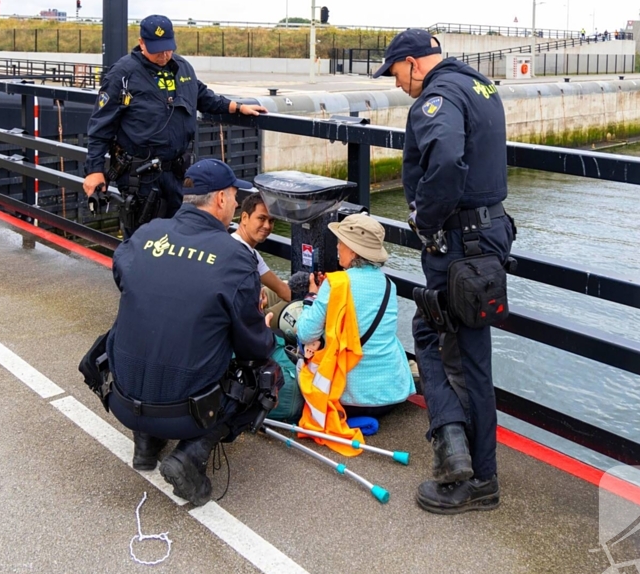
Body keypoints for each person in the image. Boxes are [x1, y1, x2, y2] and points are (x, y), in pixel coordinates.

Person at [373, 29, 514, 514]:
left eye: (396, 72)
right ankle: (459, 451)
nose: (398, 84)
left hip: (458, 242)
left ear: (413, 63)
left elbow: (450, 159)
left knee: (451, 349)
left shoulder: (437, 96)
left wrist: (424, 218)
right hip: (487, 236)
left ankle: (472, 474)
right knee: (451, 342)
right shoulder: (479, 85)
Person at [103, 158, 276, 506]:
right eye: (232, 196)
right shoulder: (233, 256)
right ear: (223, 200)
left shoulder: (145, 234)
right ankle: (192, 454)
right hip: (185, 413)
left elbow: (123, 277)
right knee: (266, 375)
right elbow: (253, 346)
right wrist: (265, 330)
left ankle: (146, 441)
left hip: (120, 398)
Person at [82, 14, 267, 237]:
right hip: (142, 177)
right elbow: (100, 125)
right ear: (142, 43)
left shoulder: (182, 68)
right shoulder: (122, 75)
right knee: (143, 239)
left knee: (181, 236)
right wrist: (94, 170)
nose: (164, 54)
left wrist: (236, 107)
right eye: (157, 49)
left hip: (179, 175)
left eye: (168, 47)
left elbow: (202, 96)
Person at [294, 214, 414, 419]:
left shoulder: (335, 284)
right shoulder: (388, 285)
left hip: (348, 399)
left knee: (301, 353)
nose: (337, 247)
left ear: (352, 249)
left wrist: (313, 296)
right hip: (392, 394)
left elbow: (305, 333)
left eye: (341, 242)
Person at [233, 193, 291, 304]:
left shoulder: (251, 253)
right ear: (244, 218)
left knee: (287, 285)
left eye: (271, 221)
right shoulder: (242, 255)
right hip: (242, 317)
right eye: (261, 218)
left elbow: (282, 289)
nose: (267, 226)